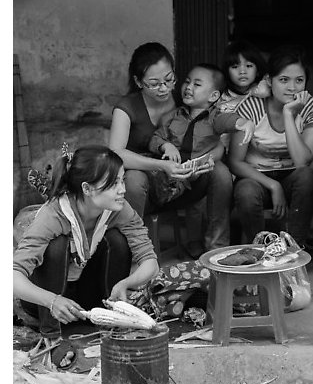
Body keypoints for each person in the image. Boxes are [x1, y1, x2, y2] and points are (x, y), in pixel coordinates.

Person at [13, 144, 159, 367]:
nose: (122, 189)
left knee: (118, 241)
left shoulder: (119, 209)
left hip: (86, 298)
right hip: (47, 301)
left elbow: (150, 262)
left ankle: (110, 319)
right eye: (113, 184)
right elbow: (12, 278)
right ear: (87, 188)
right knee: (56, 246)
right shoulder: (54, 215)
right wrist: (51, 301)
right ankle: (51, 337)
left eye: (122, 180)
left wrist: (127, 283)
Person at [148, 63, 255, 256]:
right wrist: (166, 145)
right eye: (187, 82)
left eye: (197, 84)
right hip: (173, 179)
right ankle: (193, 242)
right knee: (193, 206)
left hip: (200, 176)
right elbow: (156, 139)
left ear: (213, 96)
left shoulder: (214, 118)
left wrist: (243, 123)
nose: (188, 87)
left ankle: (217, 246)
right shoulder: (172, 117)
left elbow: (228, 121)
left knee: (220, 172)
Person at [228, 45, 313, 247]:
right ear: (269, 80)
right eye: (284, 80)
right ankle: (260, 251)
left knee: (309, 176)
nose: (292, 88)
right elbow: (235, 162)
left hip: (294, 180)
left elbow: (302, 161)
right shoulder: (251, 107)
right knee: (245, 191)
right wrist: (273, 186)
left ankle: (294, 250)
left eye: (299, 80)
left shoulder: (308, 107)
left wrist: (288, 114)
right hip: (257, 179)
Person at [109, 42, 190, 218]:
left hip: (176, 178)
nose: (163, 88)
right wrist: (161, 165)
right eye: (154, 84)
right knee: (135, 180)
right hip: (140, 181)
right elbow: (116, 153)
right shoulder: (126, 108)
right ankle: (135, 240)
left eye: (169, 79)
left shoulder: (181, 99)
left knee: (218, 173)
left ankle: (206, 243)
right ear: (138, 82)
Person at [219, 39, 269, 150]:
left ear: (258, 70)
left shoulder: (262, 91)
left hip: (255, 150)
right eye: (235, 67)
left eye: (249, 66)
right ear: (227, 72)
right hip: (224, 150)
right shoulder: (220, 97)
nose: (242, 71)